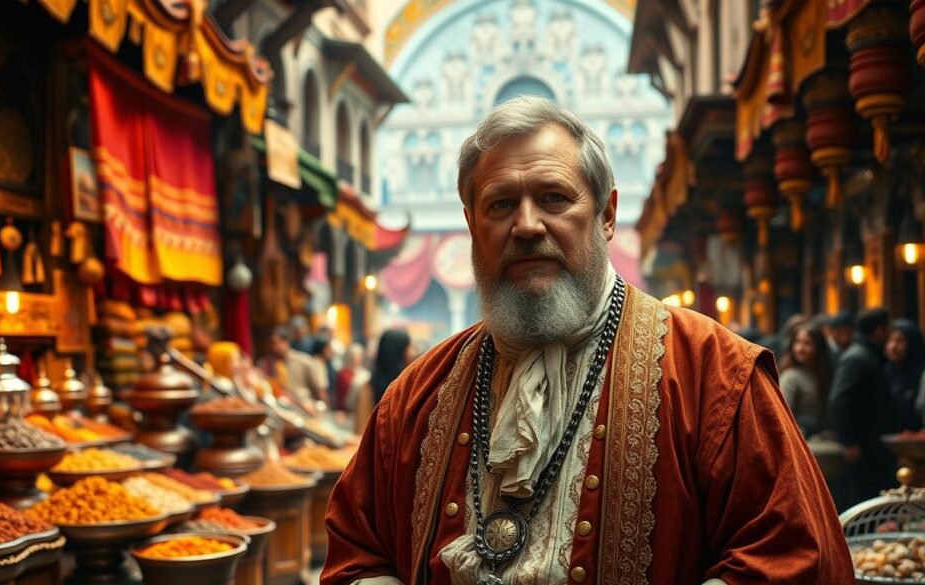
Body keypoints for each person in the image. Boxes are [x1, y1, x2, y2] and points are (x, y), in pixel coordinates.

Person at [323, 97, 852, 585]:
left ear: (606, 215)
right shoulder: (415, 396)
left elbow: (795, 557)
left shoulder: (713, 375)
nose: (527, 225)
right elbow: (356, 552)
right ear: (470, 224)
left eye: (554, 198)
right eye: (501, 205)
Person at [829, 308, 898, 504]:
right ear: (879, 330)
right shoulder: (857, 357)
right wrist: (849, 441)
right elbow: (839, 400)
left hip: (871, 444)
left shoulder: (866, 354)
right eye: (888, 329)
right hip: (863, 445)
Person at [352, 329, 414, 435]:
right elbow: (362, 431)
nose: (412, 352)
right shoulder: (368, 387)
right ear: (399, 351)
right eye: (409, 347)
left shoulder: (370, 385)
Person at [778, 324, 831, 438]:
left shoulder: (824, 374)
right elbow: (783, 418)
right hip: (802, 442)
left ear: (818, 347)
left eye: (807, 343)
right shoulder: (790, 377)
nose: (799, 349)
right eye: (797, 342)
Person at [259, 325, 327, 406]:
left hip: (305, 408)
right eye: (271, 344)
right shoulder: (266, 364)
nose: (274, 348)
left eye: (276, 343)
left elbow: (321, 393)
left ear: (286, 342)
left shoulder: (304, 362)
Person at [886, 319, 925, 432]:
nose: (893, 346)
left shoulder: (921, 372)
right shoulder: (886, 371)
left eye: (899, 341)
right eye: (890, 340)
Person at [336, 343, 368, 412]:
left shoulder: (362, 371)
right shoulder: (344, 374)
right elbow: (343, 396)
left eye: (360, 355)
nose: (360, 357)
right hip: (345, 411)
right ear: (350, 356)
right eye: (357, 355)